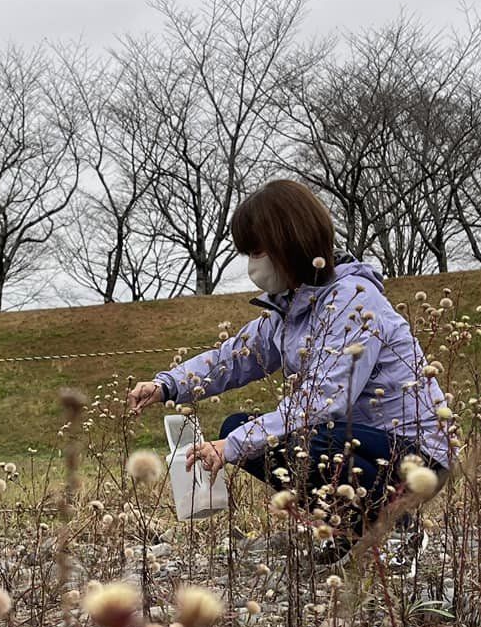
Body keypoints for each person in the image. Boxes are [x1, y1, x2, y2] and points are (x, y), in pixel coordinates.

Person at [129, 178, 451, 565]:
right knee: (238, 427)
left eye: (257, 250)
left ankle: (397, 529)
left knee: (296, 441)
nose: (252, 264)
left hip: (412, 453)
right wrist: (167, 385)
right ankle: (356, 526)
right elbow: (235, 357)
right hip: (359, 444)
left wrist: (229, 449)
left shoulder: (353, 303)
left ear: (289, 241)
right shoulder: (290, 307)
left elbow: (322, 403)